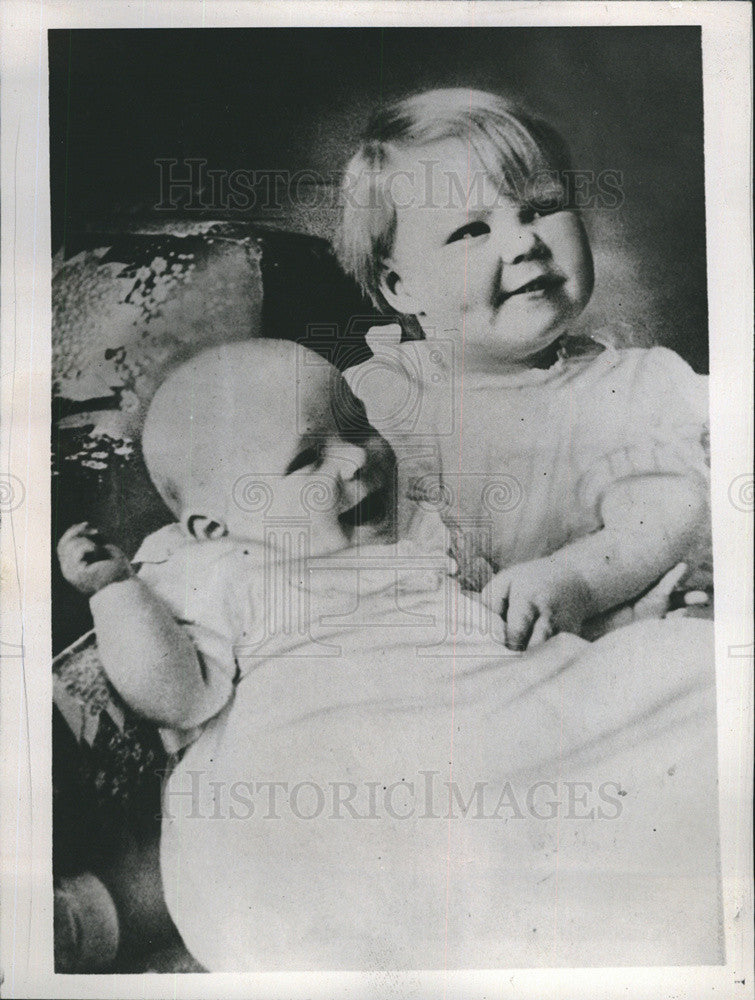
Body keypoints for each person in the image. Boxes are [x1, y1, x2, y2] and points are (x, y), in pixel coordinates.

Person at [57, 340, 720, 971]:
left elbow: (499, 627)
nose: (358, 458)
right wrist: (117, 596)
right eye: (307, 459)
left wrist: (608, 626)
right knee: (312, 856)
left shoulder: (419, 530)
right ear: (214, 524)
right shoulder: (218, 569)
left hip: (490, 713)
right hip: (334, 755)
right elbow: (174, 694)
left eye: (357, 422)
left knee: (686, 671)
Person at [335, 88, 710, 650]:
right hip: (435, 657)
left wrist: (576, 582)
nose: (523, 241)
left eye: (541, 207)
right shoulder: (380, 398)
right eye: (471, 230)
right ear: (400, 286)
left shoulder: (632, 388)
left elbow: (663, 514)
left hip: (597, 640)